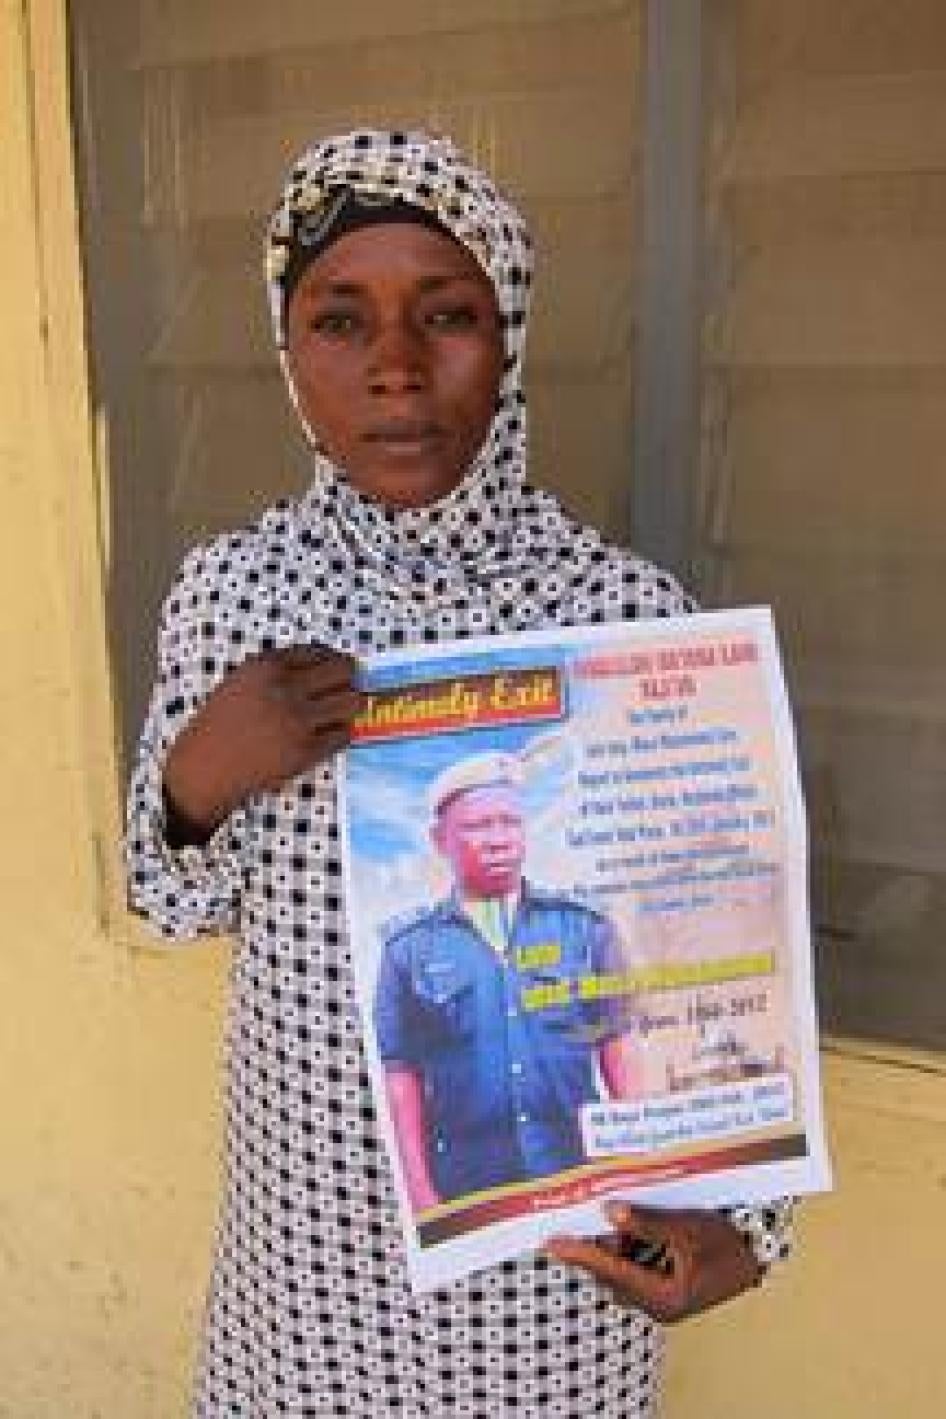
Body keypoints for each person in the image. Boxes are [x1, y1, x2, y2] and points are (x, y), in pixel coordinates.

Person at [126, 129, 792, 1419]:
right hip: (309, 1262)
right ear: (286, 352)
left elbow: (707, 950)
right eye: (339, 320)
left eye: (447, 315)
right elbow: (172, 902)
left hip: (555, 1275)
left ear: (510, 339)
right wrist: (197, 782)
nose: (395, 366)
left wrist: (747, 1230)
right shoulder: (233, 595)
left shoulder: (623, 618)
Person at [376, 751, 642, 1207]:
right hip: (468, 1187)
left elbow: (618, 1045)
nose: (499, 840)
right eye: (478, 826)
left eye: (510, 822)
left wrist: (639, 1162)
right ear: (439, 840)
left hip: (580, 1170)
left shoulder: (585, 928)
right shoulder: (407, 950)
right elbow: (402, 1077)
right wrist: (419, 1190)